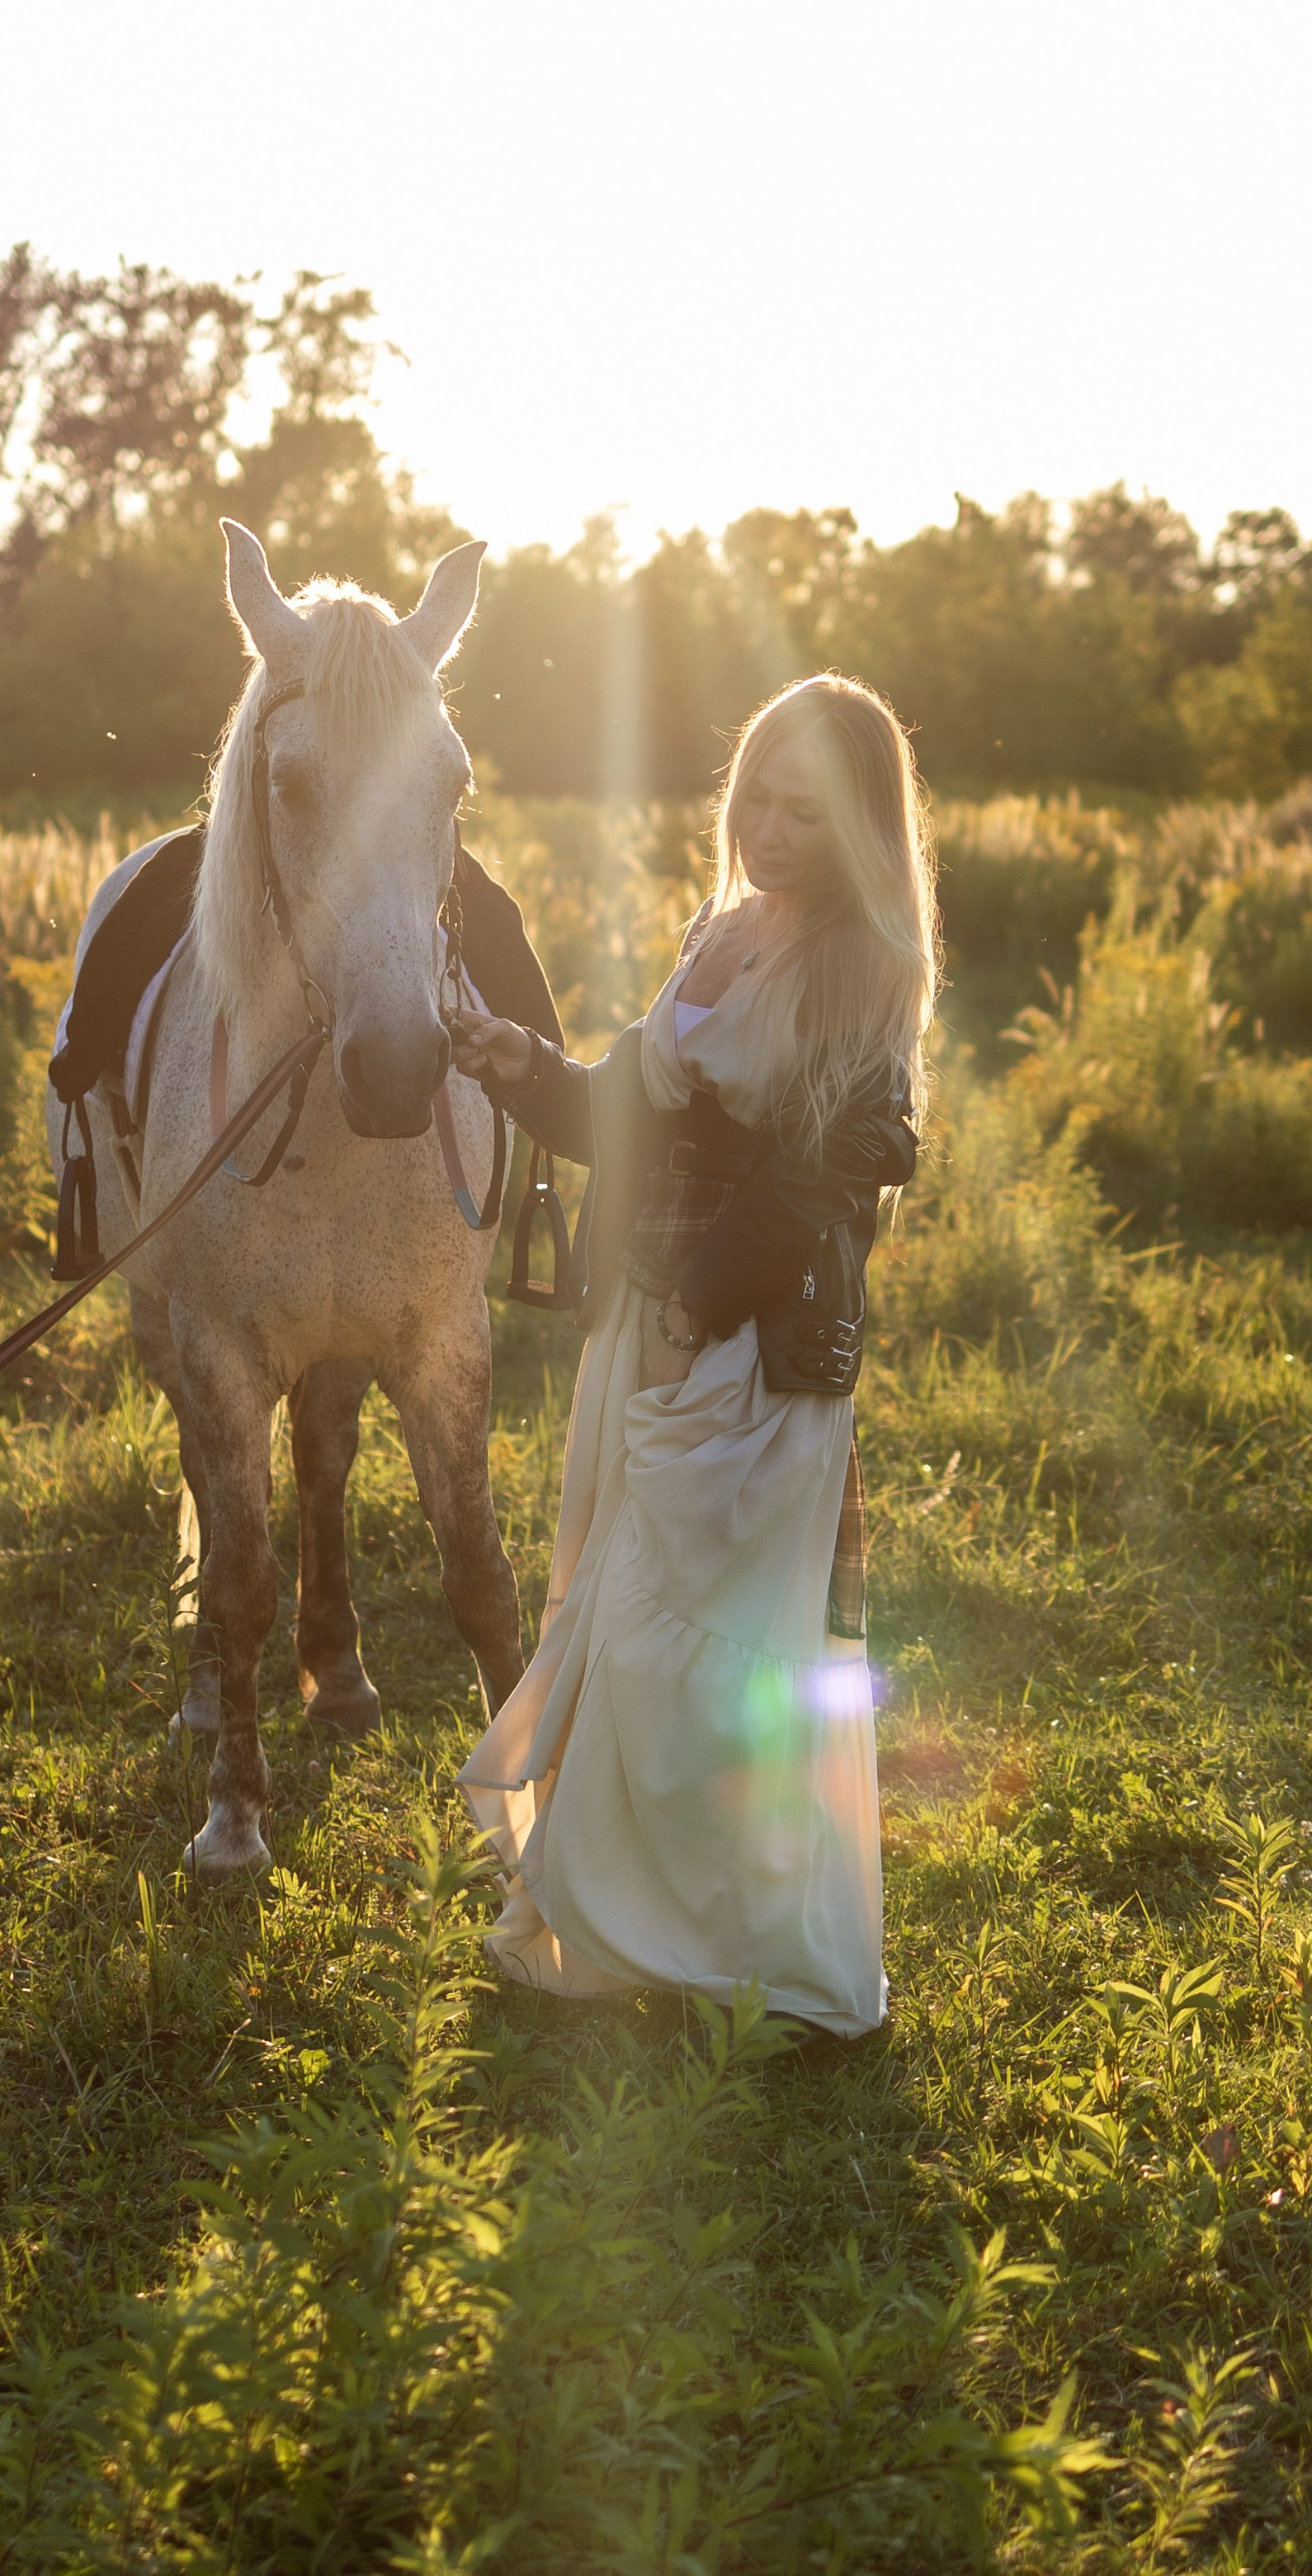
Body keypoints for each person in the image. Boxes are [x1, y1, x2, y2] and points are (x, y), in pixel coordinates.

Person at [450, 674, 937, 2037]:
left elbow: (826, 1180)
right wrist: (517, 1065)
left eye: (806, 812)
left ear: (857, 828)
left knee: (711, 1653)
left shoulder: (863, 960)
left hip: (746, 1350)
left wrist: (698, 1306)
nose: (771, 832)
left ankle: (738, 1943)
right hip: (644, 1325)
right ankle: (626, 1925)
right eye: (757, 799)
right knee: (626, 1618)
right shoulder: (721, 928)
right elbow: (631, 1112)